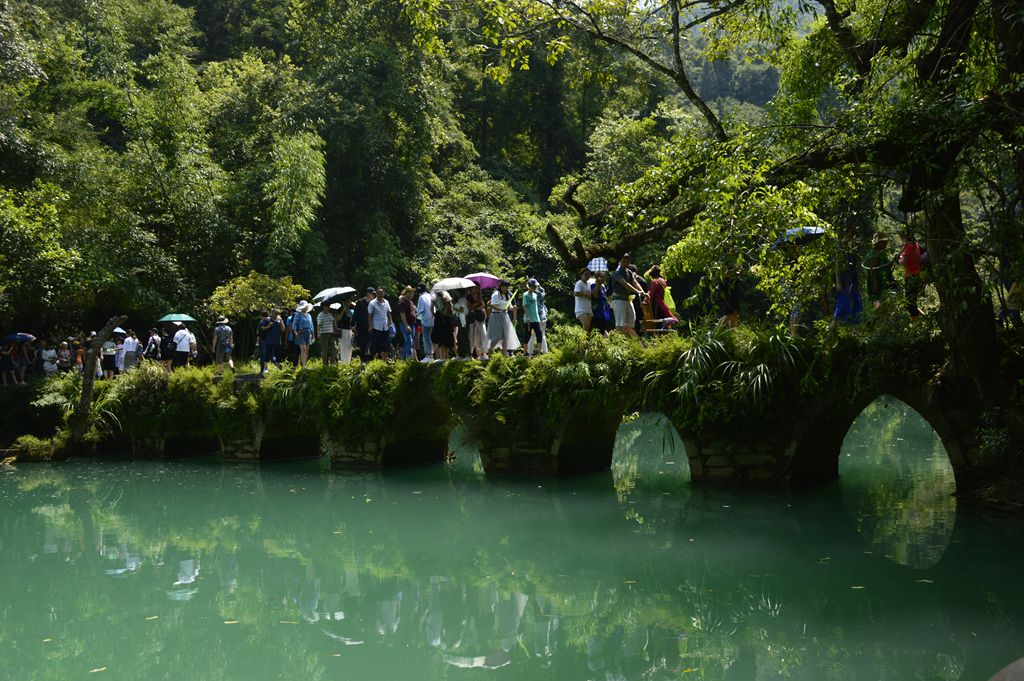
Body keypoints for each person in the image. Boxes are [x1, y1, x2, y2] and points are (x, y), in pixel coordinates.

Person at [607, 253, 646, 336]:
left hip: (628, 300)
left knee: (630, 324)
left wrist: (643, 292)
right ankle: (615, 341)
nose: (625, 263)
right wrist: (637, 292)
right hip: (618, 300)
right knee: (620, 325)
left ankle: (625, 342)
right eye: (623, 261)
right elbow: (625, 284)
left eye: (627, 262)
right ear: (620, 261)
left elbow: (634, 282)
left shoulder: (629, 272)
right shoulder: (616, 273)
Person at [488, 281, 521, 355]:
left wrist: (514, 308)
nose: (506, 288)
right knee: (497, 336)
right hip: (496, 316)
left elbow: (509, 307)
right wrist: (501, 309)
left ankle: (505, 354)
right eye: (504, 286)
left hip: (504, 316)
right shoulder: (496, 294)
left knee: (505, 337)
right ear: (500, 287)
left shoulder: (508, 296)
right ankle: (490, 351)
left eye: (507, 287)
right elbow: (492, 305)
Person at [864, 232, 893, 309]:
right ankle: (873, 319)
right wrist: (875, 282)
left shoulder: (881, 252)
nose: (885, 244)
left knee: (883, 302)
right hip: (878, 282)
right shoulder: (874, 253)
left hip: (883, 281)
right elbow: (873, 268)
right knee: (878, 302)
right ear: (878, 243)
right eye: (883, 242)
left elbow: (885, 265)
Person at [899, 233, 924, 317]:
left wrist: (898, 260)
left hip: (911, 276)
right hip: (918, 275)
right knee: (912, 301)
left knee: (909, 303)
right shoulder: (916, 244)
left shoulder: (908, 246)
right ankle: (922, 318)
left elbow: (904, 261)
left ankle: (916, 323)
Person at [367, 288, 393, 361]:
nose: (380, 294)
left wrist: (391, 323)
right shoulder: (372, 303)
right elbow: (370, 316)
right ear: (376, 294)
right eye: (378, 293)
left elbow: (388, 313)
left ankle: (385, 359)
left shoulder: (386, 302)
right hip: (376, 326)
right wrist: (370, 326)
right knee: (376, 344)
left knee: (386, 344)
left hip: (385, 326)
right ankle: (375, 360)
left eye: (381, 293)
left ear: (383, 293)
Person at [522, 279, 545, 356]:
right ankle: (525, 351)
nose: (535, 287)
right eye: (533, 286)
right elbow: (524, 307)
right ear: (529, 286)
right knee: (527, 335)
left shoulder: (535, 294)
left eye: (536, 286)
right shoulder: (525, 295)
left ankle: (540, 351)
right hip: (528, 320)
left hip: (536, 318)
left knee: (539, 333)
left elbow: (543, 295)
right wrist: (528, 318)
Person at [431, 290, 456, 360]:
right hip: (447, 317)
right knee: (447, 337)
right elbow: (451, 306)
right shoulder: (446, 294)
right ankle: (446, 357)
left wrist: (433, 315)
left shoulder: (434, 296)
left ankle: (441, 357)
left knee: (440, 338)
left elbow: (431, 307)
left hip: (439, 317)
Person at [397, 285, 418, 360]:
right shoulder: (403, 302)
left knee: (407, 342)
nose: (412, 294)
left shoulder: (411, 302)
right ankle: (410, 358)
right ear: (406, 293)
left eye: (412, 292)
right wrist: (406, 326)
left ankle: (404, 359)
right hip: (405, 324)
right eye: (410, 292)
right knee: (409, 341)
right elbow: (402, 314)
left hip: (412, 324)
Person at [466, 285, 487, 359]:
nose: (477, 289)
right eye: (475, 288)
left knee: (483, 335)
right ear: (471, 288)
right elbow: (469, 307)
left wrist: (476, 307)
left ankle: (483, 353)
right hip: (472, 319)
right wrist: (478, 304)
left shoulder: (479, 296)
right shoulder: (468, 297)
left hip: (480, 318)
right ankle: (473, 353)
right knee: (473, 336)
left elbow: (483, 306)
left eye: (478, 288)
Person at [291, 301, 314, 368]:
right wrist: (295, 333)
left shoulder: (309, 315)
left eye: (307, 306)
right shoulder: (298, 314)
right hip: (301, 333)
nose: (306, 307)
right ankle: (303, 365)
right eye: (305, 306)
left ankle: (305, 365)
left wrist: (313, 335)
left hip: (308, 333)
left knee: (306, 350)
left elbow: (311, 325)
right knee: (303, 349)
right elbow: (294, 324)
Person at [354, 287, 374, 362]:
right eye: (372, 294)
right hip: (361, 326)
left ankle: (370, 360)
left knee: (371, 343)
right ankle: (362, 360)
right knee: (362, 344)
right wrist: (353, 325)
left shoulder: (374, 303)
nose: (374, 295)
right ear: (368, 293)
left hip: (371, 326)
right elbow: (355, 314)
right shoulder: (360, 302)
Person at [417, 284, 435, 360]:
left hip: (425, 320)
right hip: (434, 319)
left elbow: (420, 311)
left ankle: (429, 355)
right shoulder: (431, 295)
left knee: (426, 338)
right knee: (432, 338)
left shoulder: (421, 297)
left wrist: (418, 320)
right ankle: (433, 355)